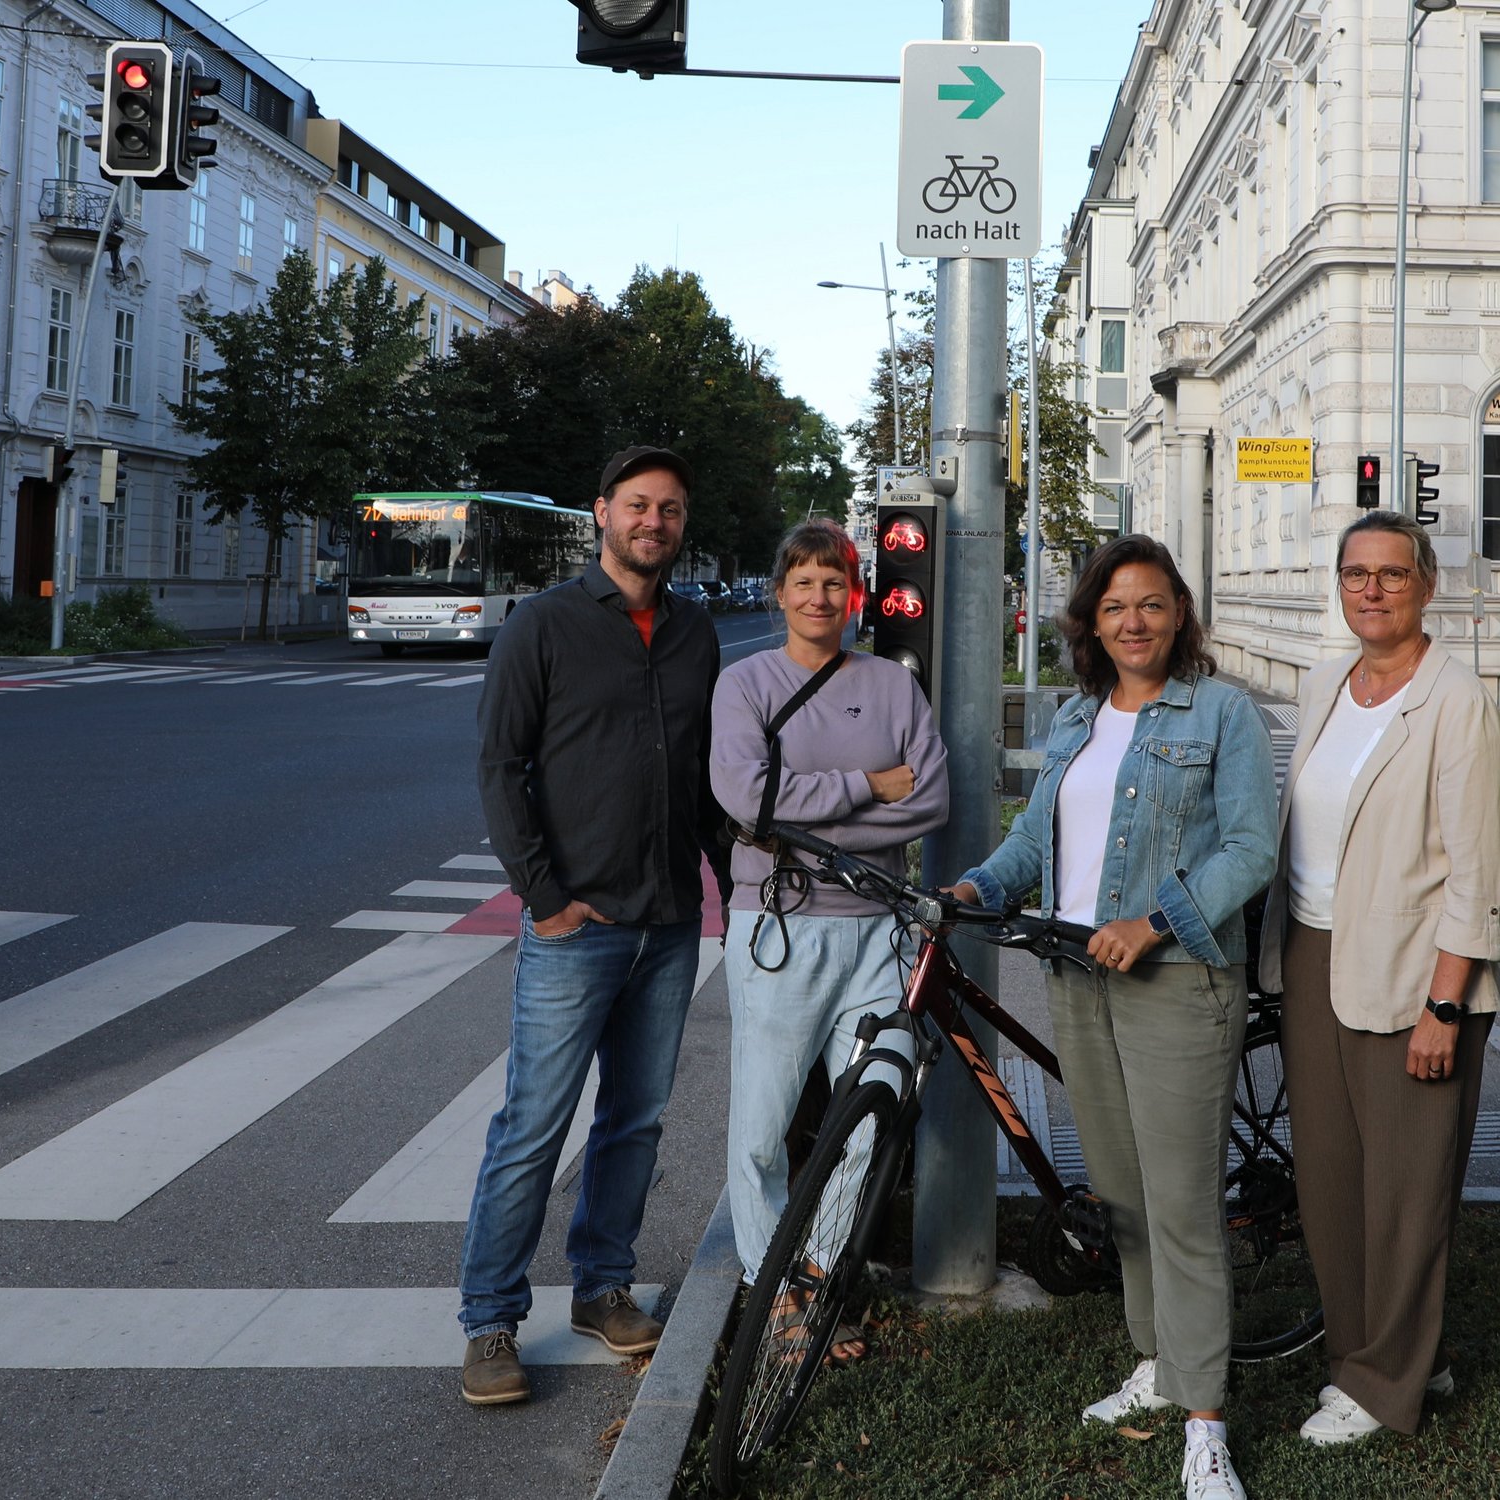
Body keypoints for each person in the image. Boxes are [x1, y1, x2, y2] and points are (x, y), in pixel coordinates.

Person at [951, 535, 1276, 1500]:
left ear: (1180, 614)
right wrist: (983, 882)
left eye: (1152, 603)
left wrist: (1155, 922)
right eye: (1114, 606)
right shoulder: (1077, 717)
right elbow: (1036, 831)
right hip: (1077, 976)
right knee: (1124, 1200)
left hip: (1178, 980)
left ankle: (1206, 1421)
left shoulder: (1224, 712)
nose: (1133, 621)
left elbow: (1253, 848)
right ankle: (1157, 1365)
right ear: (1091, 623)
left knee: (1182, 1210)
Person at [457, 445, 731, 1406]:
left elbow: (703, 781)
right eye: (638, 505)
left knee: (635, 1122)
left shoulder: (696, 634)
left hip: (668, 921)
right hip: (577, 924)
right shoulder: (544, 624)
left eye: (670, 509)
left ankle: (602, 1287)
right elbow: (501, 769)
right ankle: (490, 1320)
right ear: (602, 513)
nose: (654, 521)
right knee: (533, 1124)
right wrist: (542, 897)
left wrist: (732, 883)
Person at [1255, 509, 1500, 1446]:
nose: (1371, 589)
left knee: (1406, 1190)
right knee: (1329, 1179)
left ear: (1425, 585)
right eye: (1356, 573)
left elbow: (1480, 875)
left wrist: (1445, 1005)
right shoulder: (1325, 684)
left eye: (1392, 575)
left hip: (1416, 974)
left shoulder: (1457, 702)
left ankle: (1383, 1384)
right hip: (1314, 956)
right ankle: (1390, 1354)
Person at [710, 519, 949, 1357]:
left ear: (857, 596)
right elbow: (746, 800)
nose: (820, 597)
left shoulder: (891, 686)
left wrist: (803, 812)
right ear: (780, 594)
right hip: (779, 927)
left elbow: (930, 800)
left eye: (836, 582)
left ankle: (812, 1268)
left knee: (876, 1107)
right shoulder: (745, 685)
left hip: (875, 931)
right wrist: (862, 787)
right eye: (804, 582)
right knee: (765, 1122)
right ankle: (767, 1287)